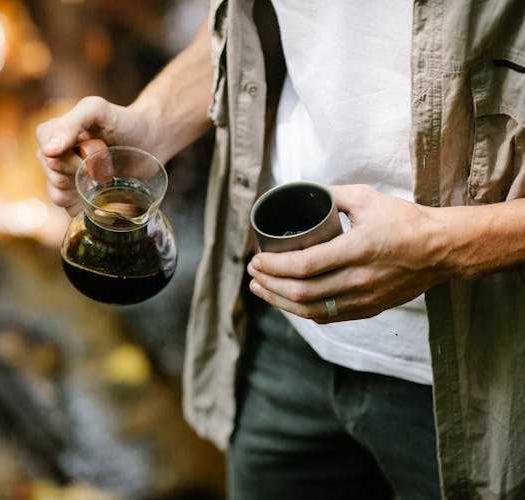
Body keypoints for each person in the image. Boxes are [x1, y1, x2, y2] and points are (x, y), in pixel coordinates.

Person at [36, 0, 525, 498]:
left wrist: (444, 246)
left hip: (484, 370)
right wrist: (151, 123)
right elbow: (254, 21)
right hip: (287, 334)